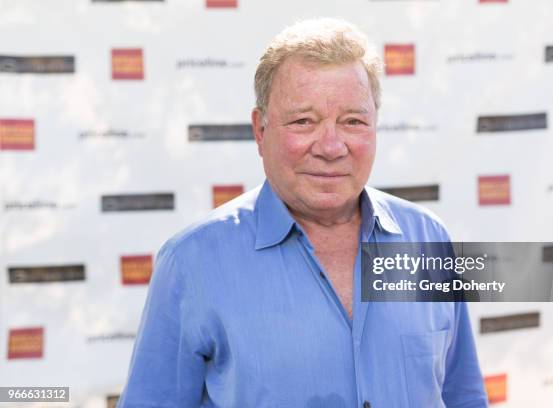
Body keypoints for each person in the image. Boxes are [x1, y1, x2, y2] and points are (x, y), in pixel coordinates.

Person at [118, 18, 487, 408]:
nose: (331, 146)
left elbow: (462, 396)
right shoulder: (191, 263)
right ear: (260, 130)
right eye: (303, 121)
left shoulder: (429, 238)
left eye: (353, 121)